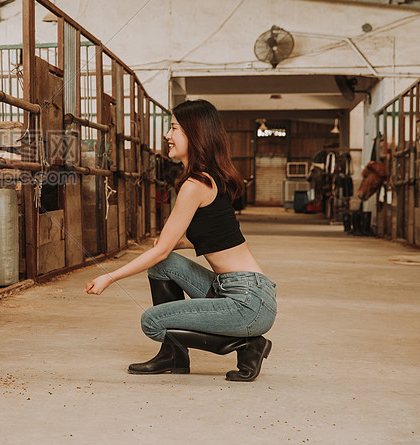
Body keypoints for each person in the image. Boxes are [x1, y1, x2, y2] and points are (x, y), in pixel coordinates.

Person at [85, 99, 277, 382]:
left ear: (194, 133)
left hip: (246, 302)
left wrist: (109, 278)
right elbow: (220, 237)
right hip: (248, 292)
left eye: (174, 128)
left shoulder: (195, 185)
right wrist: (180, 243)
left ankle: (248, 344)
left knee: (151, 321)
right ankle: (174, 356)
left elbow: (159, 251)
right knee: (165, 266)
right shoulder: (210, 178)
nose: (167, 135)